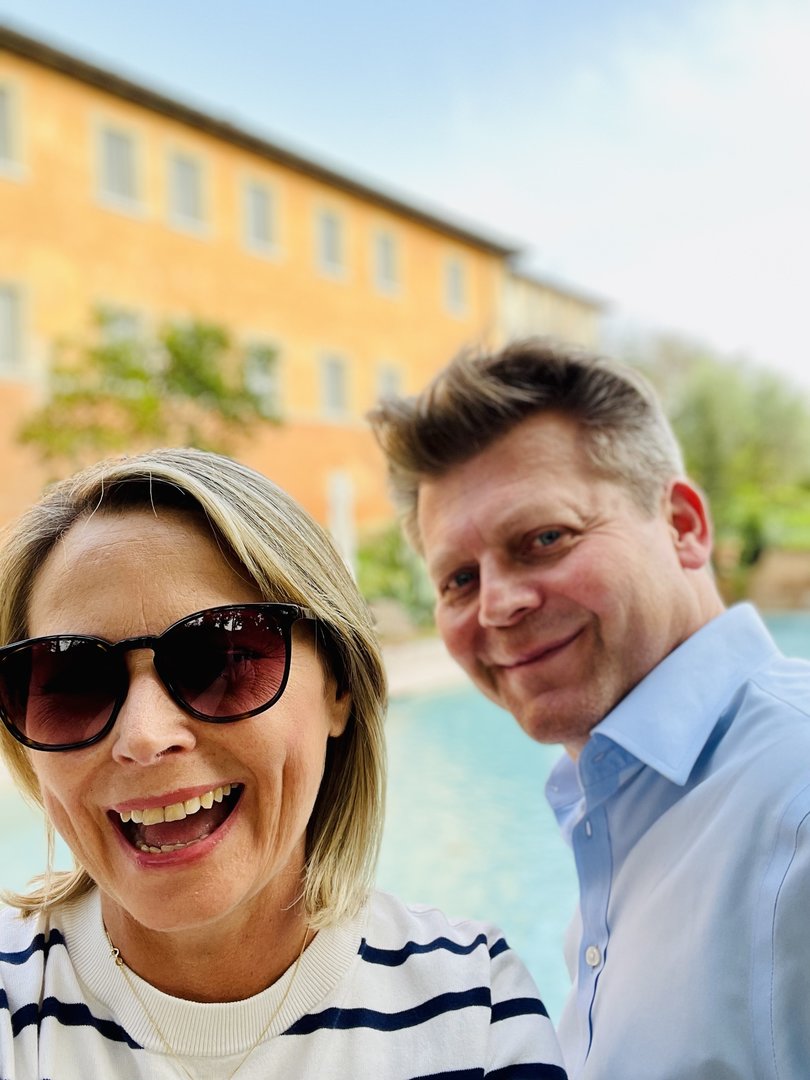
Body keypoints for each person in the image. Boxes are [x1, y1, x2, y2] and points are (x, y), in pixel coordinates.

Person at [0, 447, 567, 1079]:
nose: (144, 737)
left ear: (338, 688)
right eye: (72, 681)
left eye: (222, 659)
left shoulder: (475, 1013)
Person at [369, 338, 810, 1080]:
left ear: (683, 526)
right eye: (459, 581)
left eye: (545, 539)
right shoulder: (616, 809)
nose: (498, 605)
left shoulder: (796, 801)